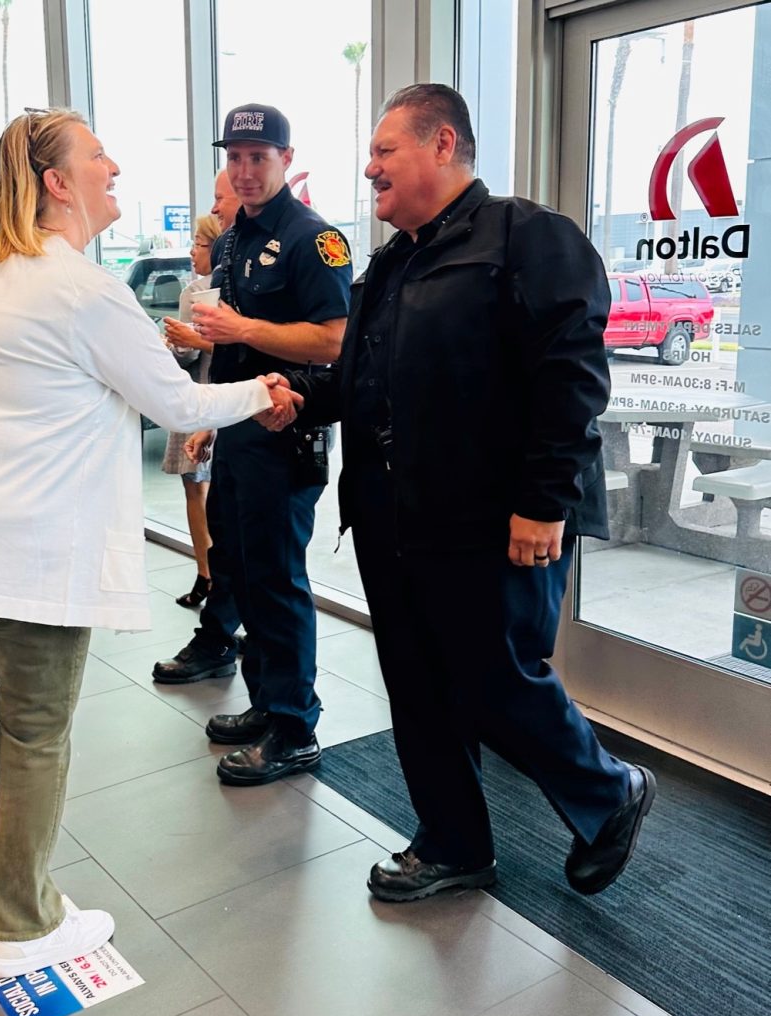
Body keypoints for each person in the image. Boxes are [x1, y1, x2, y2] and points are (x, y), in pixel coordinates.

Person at [0, 107, 300, 978]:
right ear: (57, 182)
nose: (116, 169)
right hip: (24, 547)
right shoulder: (82, 289)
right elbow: (177, 403)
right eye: (99, 157)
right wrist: (263, 389)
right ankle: (24, 926)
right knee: (33, 730)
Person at [280, 83, 655, 900]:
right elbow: (363, 377)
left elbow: (572, 380)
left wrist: (543, 500)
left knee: (494, 681)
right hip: (395, 517)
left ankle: (609, 791)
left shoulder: (527, 237)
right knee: (415, 684)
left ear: (441, 144)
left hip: (496, 518)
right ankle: (452, 842)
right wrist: (303, 396)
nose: (368, 167)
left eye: (384, 150)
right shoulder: (391, 260)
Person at [153, 103, 353, 787]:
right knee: (239, 569)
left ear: (285, 161)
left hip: (285, 427)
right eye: (233, 158)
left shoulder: (313, 239)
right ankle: (268, 704)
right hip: (236, 426)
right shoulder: (234, 237)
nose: (242, 170)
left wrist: (239, 330)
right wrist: (212, 412)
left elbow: (332, 339)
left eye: (256, 157)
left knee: (276, 577)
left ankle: (295, 726)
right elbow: (232, 347)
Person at [159, 213, 223, 608]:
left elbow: (183, 352)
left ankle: (208, 574)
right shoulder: (213, 288)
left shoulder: (197, 292)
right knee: (207, 489)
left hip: (202, 398)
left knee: (196, 488)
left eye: (198, 243)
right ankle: (212, 575)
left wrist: (178, 342)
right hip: (218, 397)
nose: (191, 251)